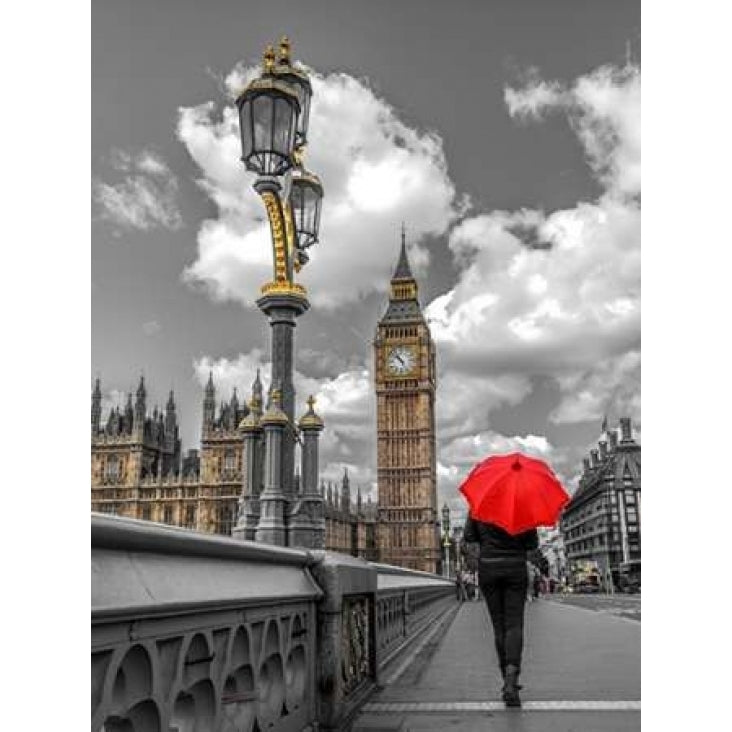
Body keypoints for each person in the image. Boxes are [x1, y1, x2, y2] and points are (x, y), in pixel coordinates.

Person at [463, 514, 538, 707]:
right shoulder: (523, 506)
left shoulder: (480, 505)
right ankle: (511, 680)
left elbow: (469, 537)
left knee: (499, 626)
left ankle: (505, 678)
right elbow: (532, 544)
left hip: (489, 567)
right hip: (515, 567)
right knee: (514, 624)